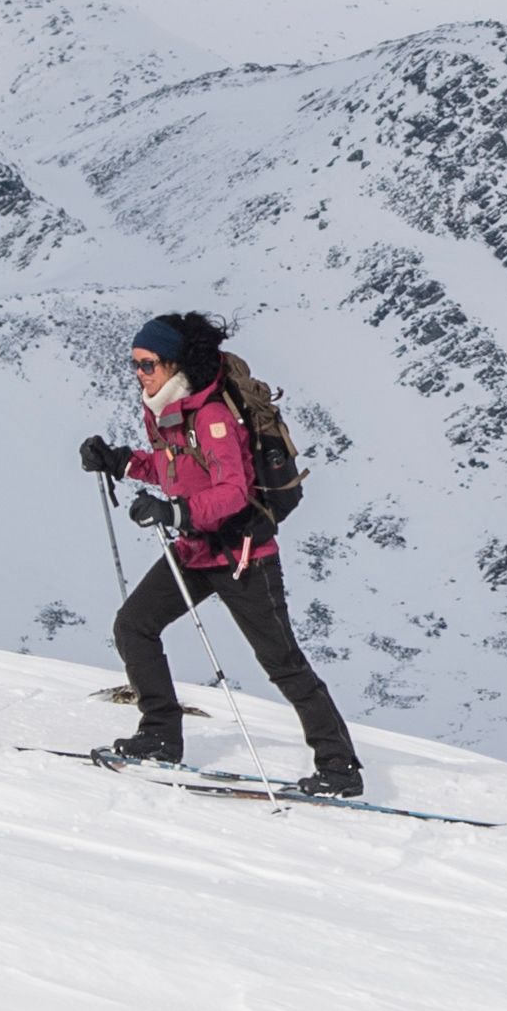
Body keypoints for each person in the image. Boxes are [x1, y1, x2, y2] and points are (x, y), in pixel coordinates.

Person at [80, 313, 361, 795]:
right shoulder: (165, 408)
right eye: (135, 364)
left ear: (174, 363)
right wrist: (122, 461)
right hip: (194, 549)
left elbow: (231, 492)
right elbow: (176, 470)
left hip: (241, 555)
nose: (139, 373)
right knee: (134, 625)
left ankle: (339, 769)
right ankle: (160, 737)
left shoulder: (209, 416)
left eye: (147, 364)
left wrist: (174, 514)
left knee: (283, 663)